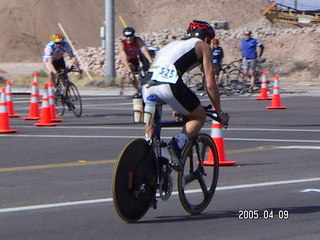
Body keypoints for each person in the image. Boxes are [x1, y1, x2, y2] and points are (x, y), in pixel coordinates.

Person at [141, 20, 229, 171]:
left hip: (146, 86)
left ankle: (146, 158)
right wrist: (219, 111)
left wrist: (179, 106)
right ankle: (176, 145)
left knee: (152, 130)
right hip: (168, 85)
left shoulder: (173, 45)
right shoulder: (203, 46)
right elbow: (210, 82)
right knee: (199, 116)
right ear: (207, 38)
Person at [118, 27, 153, 94]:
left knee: (147, 69)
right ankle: (138, 90)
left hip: (139, 57)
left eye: (130, 36)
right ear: (124, 36)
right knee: (132, 75)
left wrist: (150, 61)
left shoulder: (137, 40)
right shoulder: (121, 44)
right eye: (126, 36)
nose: (129, 38)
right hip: (130, 60)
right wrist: (129, 71)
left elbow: (144, 50)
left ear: (134, 35)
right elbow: (124, 59)